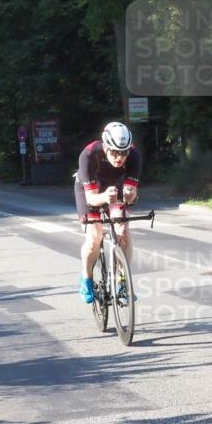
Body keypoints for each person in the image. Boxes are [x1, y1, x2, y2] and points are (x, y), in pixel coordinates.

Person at [75, 122, 142, 303]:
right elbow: (91, 199)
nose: (119, 157)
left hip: (115, 188)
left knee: (123, 231)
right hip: (90, 191)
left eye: (123, 152)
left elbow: (131, 194)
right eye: (114, 152)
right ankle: (86, 279)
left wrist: (129, 196)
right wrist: (104, 197)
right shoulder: (88, 155)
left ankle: (123, 281)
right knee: (95, 237)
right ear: (105, 147)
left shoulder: (134, 155)